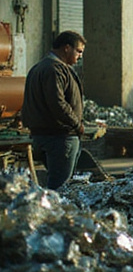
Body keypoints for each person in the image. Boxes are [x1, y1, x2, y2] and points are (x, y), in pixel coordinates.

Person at [22, 30, 86, 191]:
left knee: (56, 183)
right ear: (66, 48)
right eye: (78, 51)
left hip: (42, 135)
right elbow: (57, 103)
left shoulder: (38, 68)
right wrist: (77, 124)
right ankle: (53, 215)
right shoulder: (54, 70)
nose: (80, 56)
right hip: (59, 138)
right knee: (60, 188)